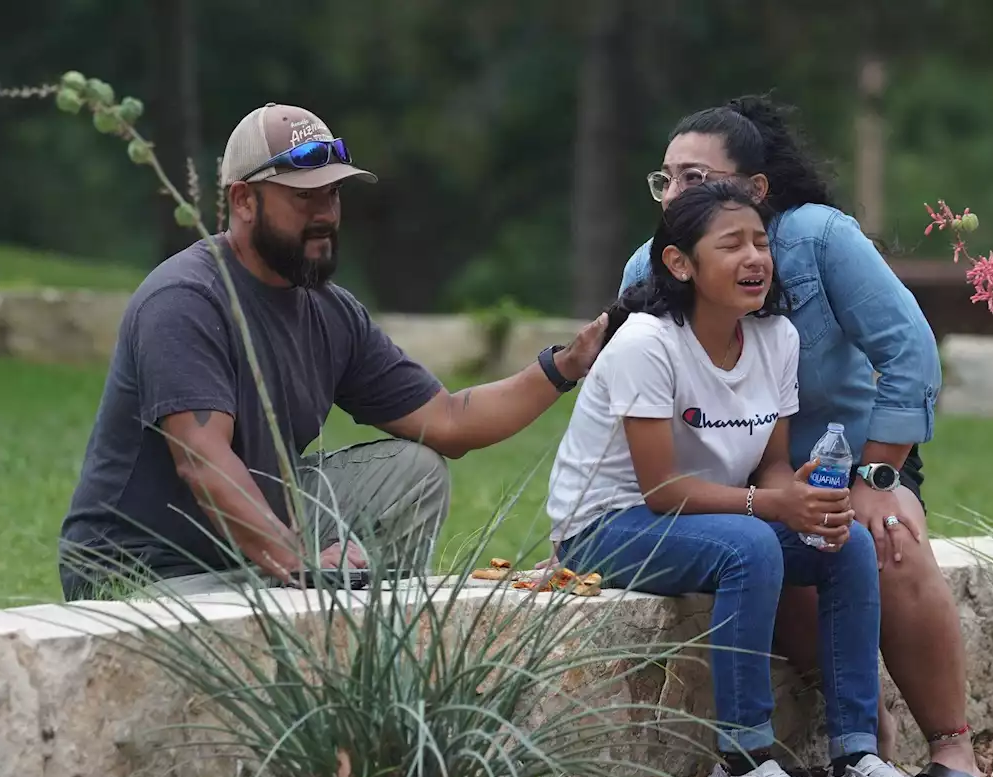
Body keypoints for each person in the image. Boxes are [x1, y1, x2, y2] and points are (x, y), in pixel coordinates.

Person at [58, 102, 607, 600]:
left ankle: (355, 652)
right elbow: (204, 461)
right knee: (262, 590)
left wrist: (564, 366)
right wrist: (298, 560)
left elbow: (447, 421)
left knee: (414, 470)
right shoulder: (185, 300)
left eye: (333, 193)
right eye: (303, 197)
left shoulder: (330, 311)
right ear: (243, 200)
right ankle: (306, 610)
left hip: (247, 549)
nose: (325, 213)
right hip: (143, 569)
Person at [616, 93, 983, 777]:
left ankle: (952, 738)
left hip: (856, 456)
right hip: (728, 479)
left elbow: (909, 353)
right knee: (775, 560)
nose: (675, 195)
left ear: (756, 189)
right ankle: (864, 734)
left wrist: (876, 478)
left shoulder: (818, 240)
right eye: (667, 179)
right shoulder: (651, 266)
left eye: (697, 178)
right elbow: (624, 401)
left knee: (884, 540)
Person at [548, 179, 936, 777]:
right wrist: (772, 506)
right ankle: (742, 765)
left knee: (844, 545)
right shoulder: (646, 343)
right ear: (679, 262)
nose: (755, 257)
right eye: (731, 245)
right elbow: (662, 489)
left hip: (708, 519)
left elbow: (774, 467)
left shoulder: (775, 339)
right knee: (752, 546)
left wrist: (806, 499)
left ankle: (856, 758)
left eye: (761, 242)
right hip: (604, 527)